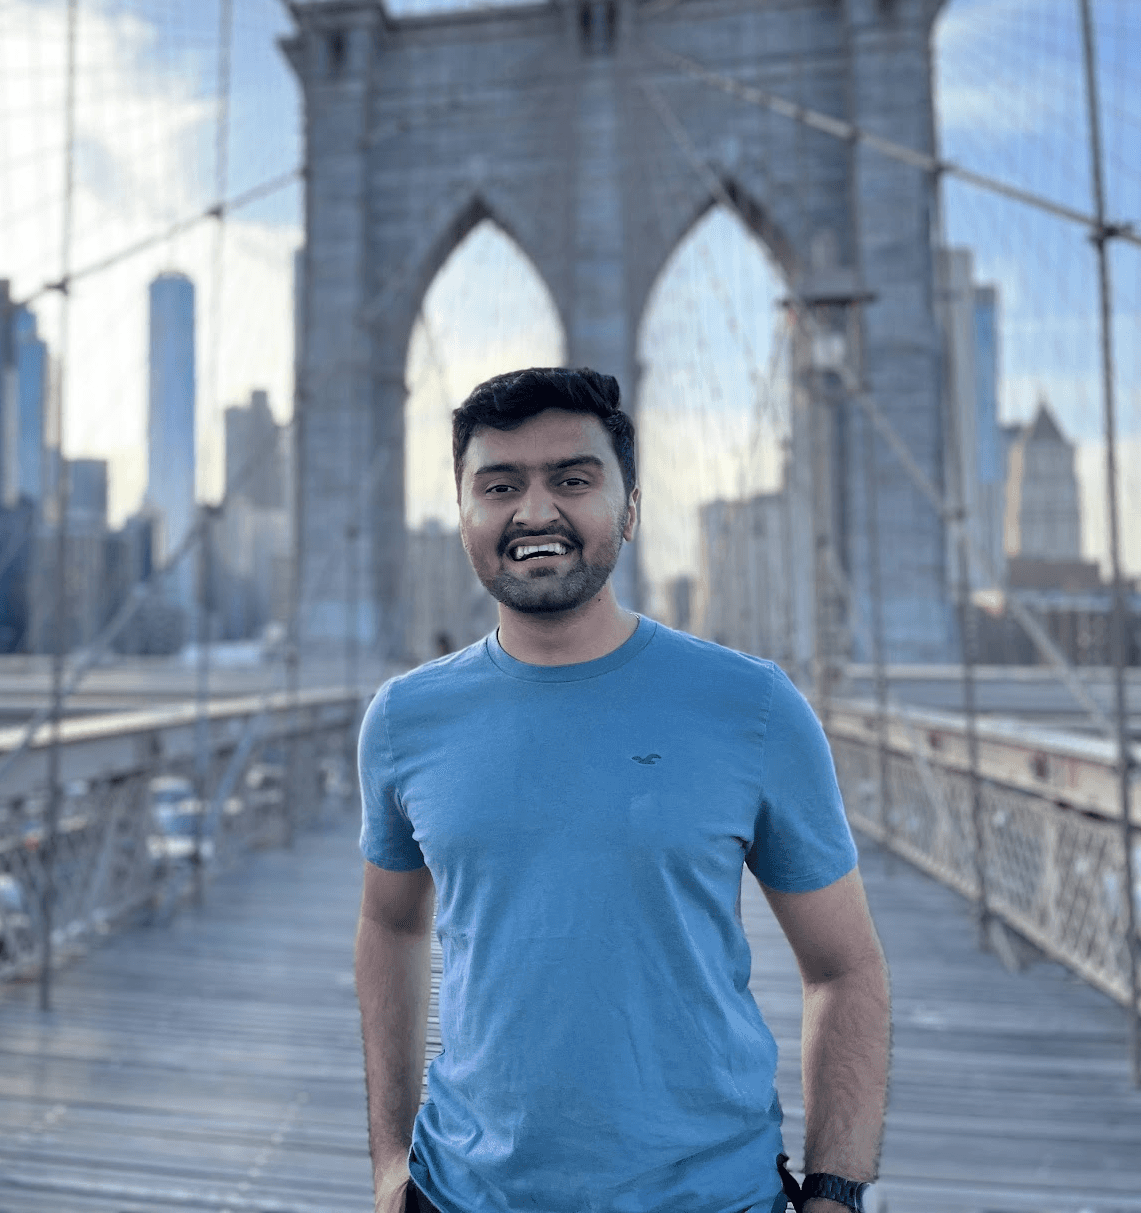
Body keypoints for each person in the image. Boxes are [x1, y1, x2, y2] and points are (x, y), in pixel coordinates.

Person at [354, 368, 890, 1213]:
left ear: (630, 508)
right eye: (499, 486)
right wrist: (389, 1160)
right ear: (464, 518)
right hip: (459, 1194)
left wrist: (832, 1193)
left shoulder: (751, 707)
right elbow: (390, 924)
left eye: (573, 479)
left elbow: (844, 969)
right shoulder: (402, 719)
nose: (534, 512)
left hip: (712, 1199)